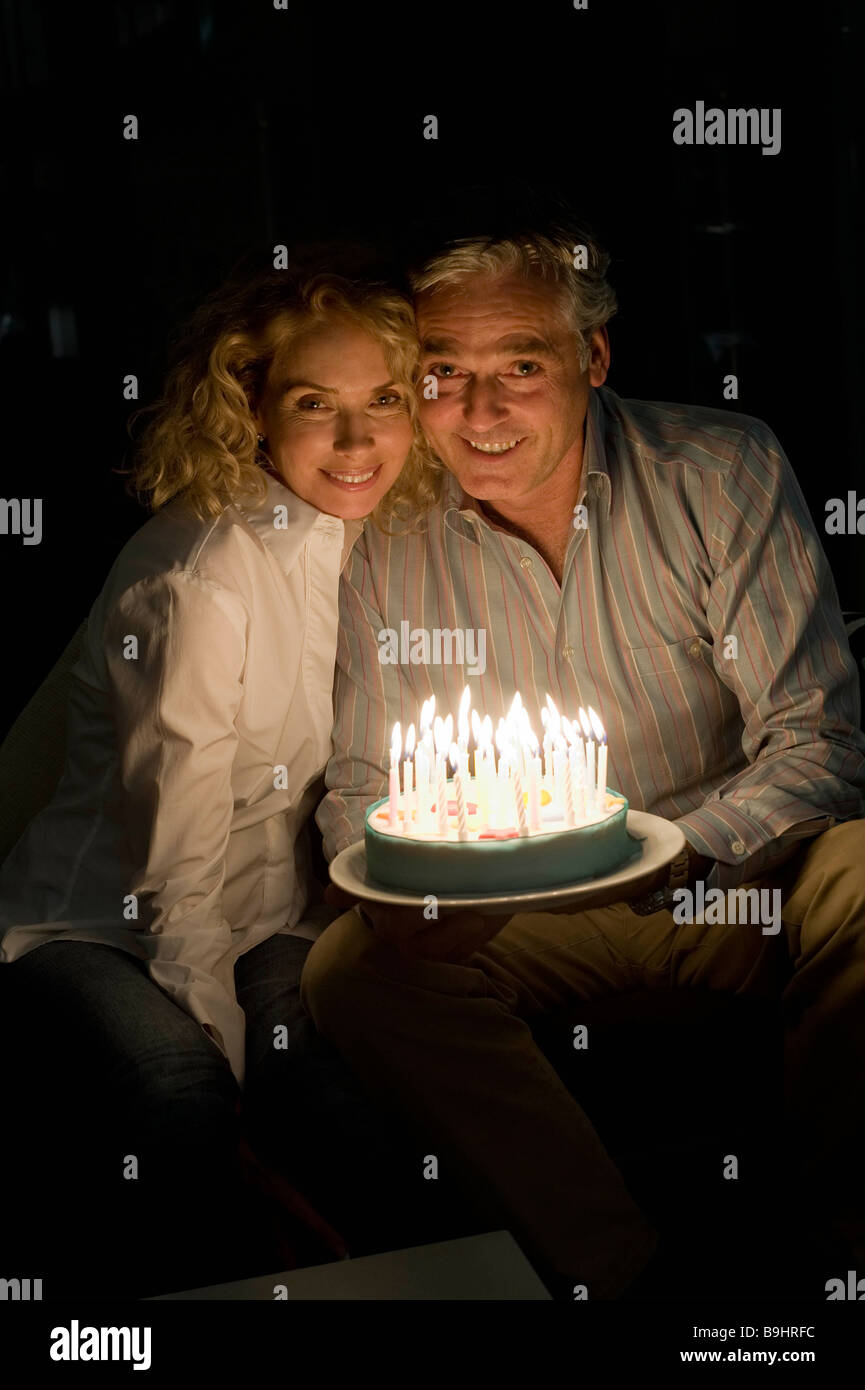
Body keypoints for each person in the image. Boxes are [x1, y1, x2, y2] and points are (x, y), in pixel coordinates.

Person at [307, 215, 865, 1300]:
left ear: (593, 358)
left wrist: (684, 852)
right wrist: (406, 894)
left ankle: (843, 1251)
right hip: (513, 912)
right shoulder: (386, 537)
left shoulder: (718, 470)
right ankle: (622, 1279)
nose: (479, 412)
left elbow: (818, 740)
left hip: (728, 890)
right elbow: (363, 787)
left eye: (520, 364)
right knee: (349, 973)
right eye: (443, 374)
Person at [0, 267, 458, 1298]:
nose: (356, 443)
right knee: (182, 1089)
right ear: (248, 402)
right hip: (99, 924)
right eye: (314, 405)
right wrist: (223, 1041)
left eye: (383, 401)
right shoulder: (197, 575)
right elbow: (172, 869)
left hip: (266, 912)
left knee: (343, 1100)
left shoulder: (361, 539)